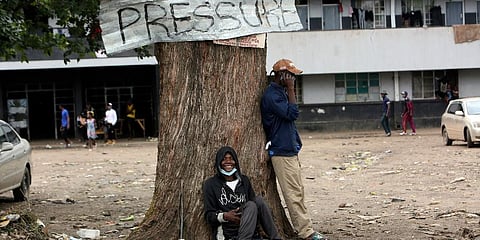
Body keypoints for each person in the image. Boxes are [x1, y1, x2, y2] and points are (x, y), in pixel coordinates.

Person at [260, 59, 327, 240]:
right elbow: (292, 114)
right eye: (290, 75)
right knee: (293, 194)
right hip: (281, 151)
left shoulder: (279, 93)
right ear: (280, 75)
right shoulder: (272, 96)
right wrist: (291, 89)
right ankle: (306, 232)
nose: (293, 78)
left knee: (298, 191)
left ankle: (306, 228)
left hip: (289, 149)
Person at [203, 146, 281, 240]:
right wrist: (225, 216)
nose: (228, 162)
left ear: (235, 161)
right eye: (224, 159)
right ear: (219, 162)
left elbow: (252, 208)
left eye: (231, 159)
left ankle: (276, 238)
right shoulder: (211, 184)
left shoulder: (244, 180)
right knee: (251, 205)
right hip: (228, 232)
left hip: (246, 226)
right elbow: (209, 215)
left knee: (258, 201)